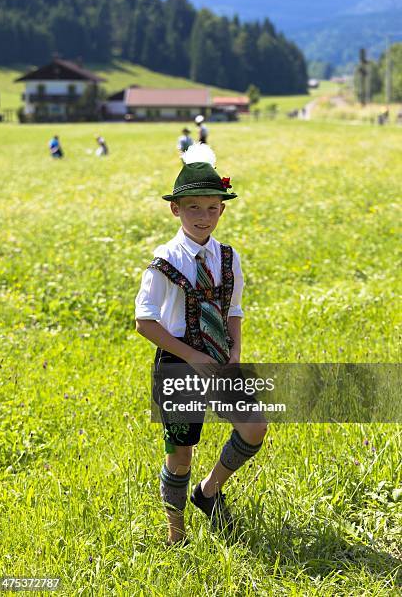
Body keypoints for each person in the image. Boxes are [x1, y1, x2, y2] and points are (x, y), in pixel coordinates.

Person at [135, 143, 267, 545]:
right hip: (179, 361)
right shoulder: (166, 260)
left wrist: (236, 351)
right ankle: (176, 535)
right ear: (176, 209)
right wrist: (191, 356)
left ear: (222, 210)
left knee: (254, 426)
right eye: (193, 207)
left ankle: (208, 492)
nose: (203, 216)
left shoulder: (228, 257)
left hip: (220, 357)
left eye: (212, 208)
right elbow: (144, 321)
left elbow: (234, 307)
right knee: (181, 454)